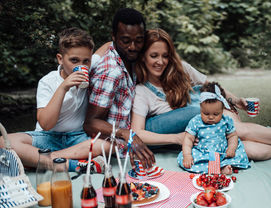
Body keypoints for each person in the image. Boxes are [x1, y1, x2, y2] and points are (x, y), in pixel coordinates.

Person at [131, 28, 271, 160]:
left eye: (165, 55)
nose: (160, 61)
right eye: (154, 55)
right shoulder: (142, 92)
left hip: (216, 121)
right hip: (198, 137)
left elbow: (211, 86)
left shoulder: (181, 69)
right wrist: (177, 138)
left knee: (235, 128)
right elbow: (138, 133)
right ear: (143, 57)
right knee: (253, 152)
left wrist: (236, 101)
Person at [0, 27, 104, 172]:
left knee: (105, 145)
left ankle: (43, 160)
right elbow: (46, 124)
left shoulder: (88, 66)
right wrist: (63, 87)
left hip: (77, 139)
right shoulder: (47, 81)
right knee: (4, 142)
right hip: (48, 137)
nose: (81, 65)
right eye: (74, 60)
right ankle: (72, 165)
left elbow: (108, 46)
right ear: (60, 59)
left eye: (86, 61)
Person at [84, 8, 157, 169]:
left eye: (138, 40)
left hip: (138, 123)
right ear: (114, 37)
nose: (133, 47)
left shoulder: (129, 58)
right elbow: (90, 123)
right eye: (125, 41)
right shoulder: (111, 72)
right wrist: (125, 133)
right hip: (119, 140)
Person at [178, 82, 250, 174]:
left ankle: (221, 166)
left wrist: (231, 148)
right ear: (200, 108)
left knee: (237, 153)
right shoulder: (196, 121)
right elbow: (188, 139)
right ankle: (219, 169)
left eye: (216, 114)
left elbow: (232, 136)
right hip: (203, 153)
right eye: (206, 113)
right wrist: (187, 155)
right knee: (190, 161)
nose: (211, 117)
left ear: (222, 109)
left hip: (222, 152)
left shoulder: (226, 120)